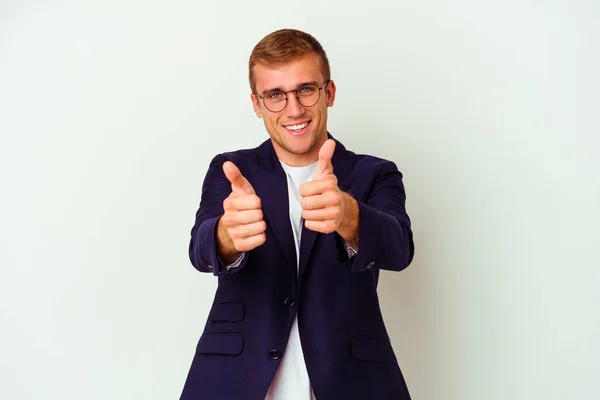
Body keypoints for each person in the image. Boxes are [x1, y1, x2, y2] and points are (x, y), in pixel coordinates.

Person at [180, 29, 415, 400]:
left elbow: (399, 249)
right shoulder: (230, 170)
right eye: (275, 95)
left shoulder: (375, 173)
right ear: (257, 104)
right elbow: (200, 249)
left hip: (349, 381)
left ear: (329, 93)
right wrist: (227, 236)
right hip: (236, 381)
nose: (293, 109)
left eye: (306, 89)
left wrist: (349, 216)